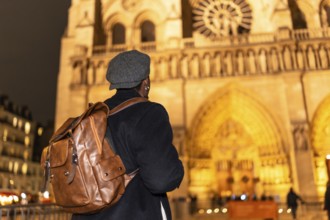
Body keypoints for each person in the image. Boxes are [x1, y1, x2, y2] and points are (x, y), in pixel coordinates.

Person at [72, 50, 184, 220]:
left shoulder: (90, 117)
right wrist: (177, 168)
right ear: (145, 82)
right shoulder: (149, 113)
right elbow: (162, 179)